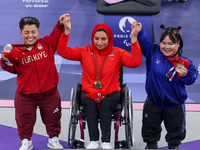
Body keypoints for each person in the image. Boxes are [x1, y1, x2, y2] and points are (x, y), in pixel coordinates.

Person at [57, 16, 142, 149]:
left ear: (109, 39)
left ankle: (106, 141)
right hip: (89, 93)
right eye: (96, 39)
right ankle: (94, 141)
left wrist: (134, 38)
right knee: (90, 105)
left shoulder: (118, 53)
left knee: (105, 104)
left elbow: (136, 62)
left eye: (103, 39)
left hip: (111, 94)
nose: (100, 42)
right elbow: (62, 51)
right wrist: (66, 31)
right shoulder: (84, 51)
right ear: (92, 38)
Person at [0, 14, 69, 150]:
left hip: (49, 94)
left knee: (53, 119)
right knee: (24, 121)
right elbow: (11, 68)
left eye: (33, 32)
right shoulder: (16, 52)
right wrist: (4, 60)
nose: (30, 35)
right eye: (26, 32)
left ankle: (53, 140)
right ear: (21, 33)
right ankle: (26, 141)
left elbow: (57, 32)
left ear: (38, 31)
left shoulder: (47, 43)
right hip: (25, 96)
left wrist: (61, 23)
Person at [135, 21, 198, 149]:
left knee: (175, 135)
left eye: (171, 43)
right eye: (163, 43)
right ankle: (151, 145)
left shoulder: (185, 62)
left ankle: (173, 146)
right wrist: (139, 31)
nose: (166, 47)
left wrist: (186, 75)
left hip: (174, 105)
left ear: (178, 44)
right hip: (153, 102)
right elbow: (143, 40)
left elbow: (191, 79)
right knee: (149, 130)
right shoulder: (153, 52)